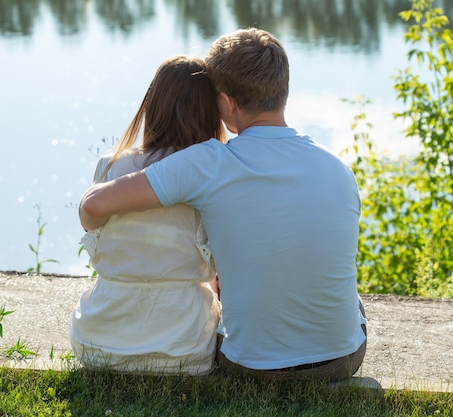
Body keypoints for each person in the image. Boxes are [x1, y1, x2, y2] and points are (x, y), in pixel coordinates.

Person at [79, 28, 367, 382]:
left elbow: (95, 204)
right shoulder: (338, 169)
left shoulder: (208, 163)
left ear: (228, 103)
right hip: (340, 360)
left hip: (250, 367)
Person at [70, 55, 227, 375]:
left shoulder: (110, 166)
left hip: (99, 343)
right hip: (185, 349)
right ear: (211, 112)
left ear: (152, 105)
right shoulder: (209, 173)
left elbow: (90, 221)